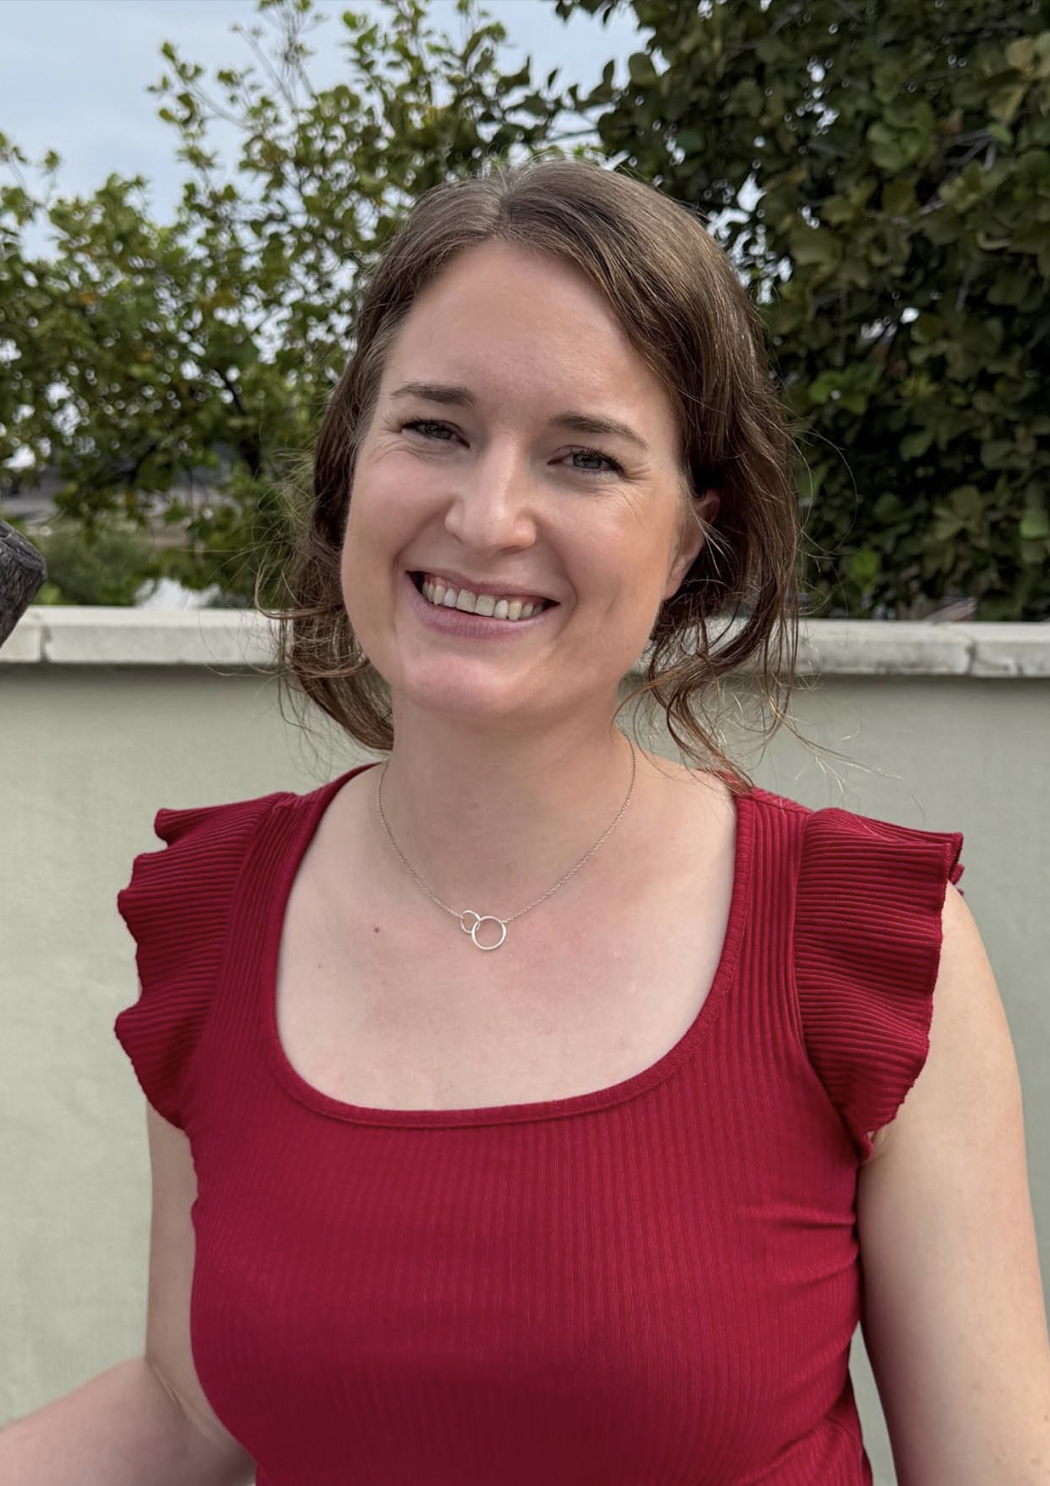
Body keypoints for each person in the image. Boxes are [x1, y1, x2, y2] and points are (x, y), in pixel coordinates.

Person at [5, 156, 1049, 1486]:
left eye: (585, 456)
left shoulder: (858, 946)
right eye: (433, 427)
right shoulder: (211, 917)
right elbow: (187, 1408)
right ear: (350, 468)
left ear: (686, 542)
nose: (487, 515)